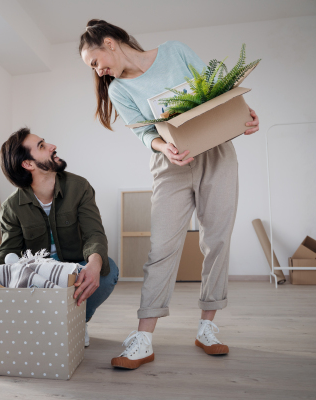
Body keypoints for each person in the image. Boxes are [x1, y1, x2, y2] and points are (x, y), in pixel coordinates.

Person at [79, 20, 260, 369]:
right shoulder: (118, 89)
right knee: (161, 248)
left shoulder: (174, 51)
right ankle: (143, 338)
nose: (98, 70)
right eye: (92, 68)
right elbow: (144, 133)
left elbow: (216, 94)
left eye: (95, 61)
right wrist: (165, 146)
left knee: (217, 240)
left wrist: (244, 116)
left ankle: (208, 327)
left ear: (110, 42)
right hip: (170, 164)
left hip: (217, 152)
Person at [0, 127, 120, 347]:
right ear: (28, 164)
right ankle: (46, 325)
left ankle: (77, 321)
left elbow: (94, 233)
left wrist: (94, 262)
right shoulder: (11, 207)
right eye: (42, 146)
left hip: (74, 268)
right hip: (39, 273)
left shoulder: (79, 187)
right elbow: (9, 252)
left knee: (108, 270)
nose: (52, 146)